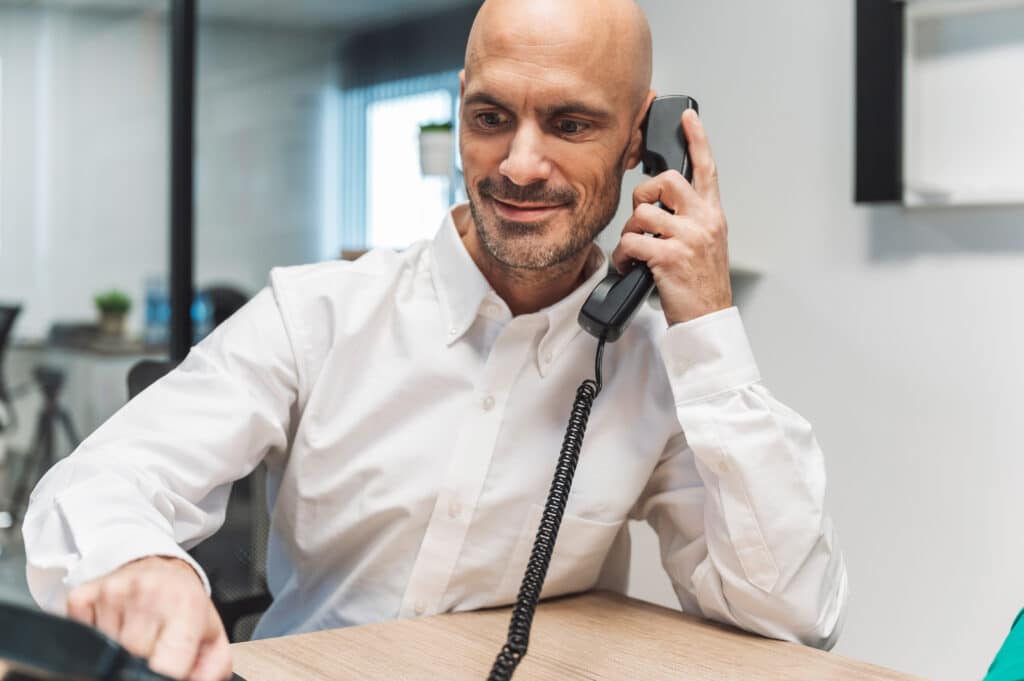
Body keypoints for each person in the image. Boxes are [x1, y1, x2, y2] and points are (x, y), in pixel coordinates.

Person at [23, 1, 847, 679]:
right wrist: (145, 567)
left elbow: (791, 615)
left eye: (568, 123)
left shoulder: (652, 362)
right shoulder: (318, 313)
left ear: (642, 140)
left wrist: (707, 326)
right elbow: (97, 483)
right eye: (491, 116)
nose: (520, 165)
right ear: (459, 104)